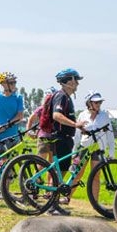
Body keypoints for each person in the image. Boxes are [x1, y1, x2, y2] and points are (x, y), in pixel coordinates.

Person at [44, 68, 87, 215]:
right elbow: (56, 115)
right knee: (58, 173)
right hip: (60, 138)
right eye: (76, 80)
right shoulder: (61, 96)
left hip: (65, 138)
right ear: (69, 81)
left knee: (59, 172)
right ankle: (52, 206)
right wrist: (75, 125)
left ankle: (54, 204)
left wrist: (79, 127)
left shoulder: (66, 97)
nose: (77, 84)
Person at [73, 91, 115, 201]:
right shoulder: (82, 115)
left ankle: (95, 202)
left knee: (96, 175)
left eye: (100, 102)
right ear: (89, 103)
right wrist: (74, 151)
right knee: (77, 173)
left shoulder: (104, 116)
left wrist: (111, 152)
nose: (98, 104)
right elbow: (77, 135)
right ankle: (67, 197)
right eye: (96, 102)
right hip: (85, 147)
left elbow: (110, 134)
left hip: (98, 149)